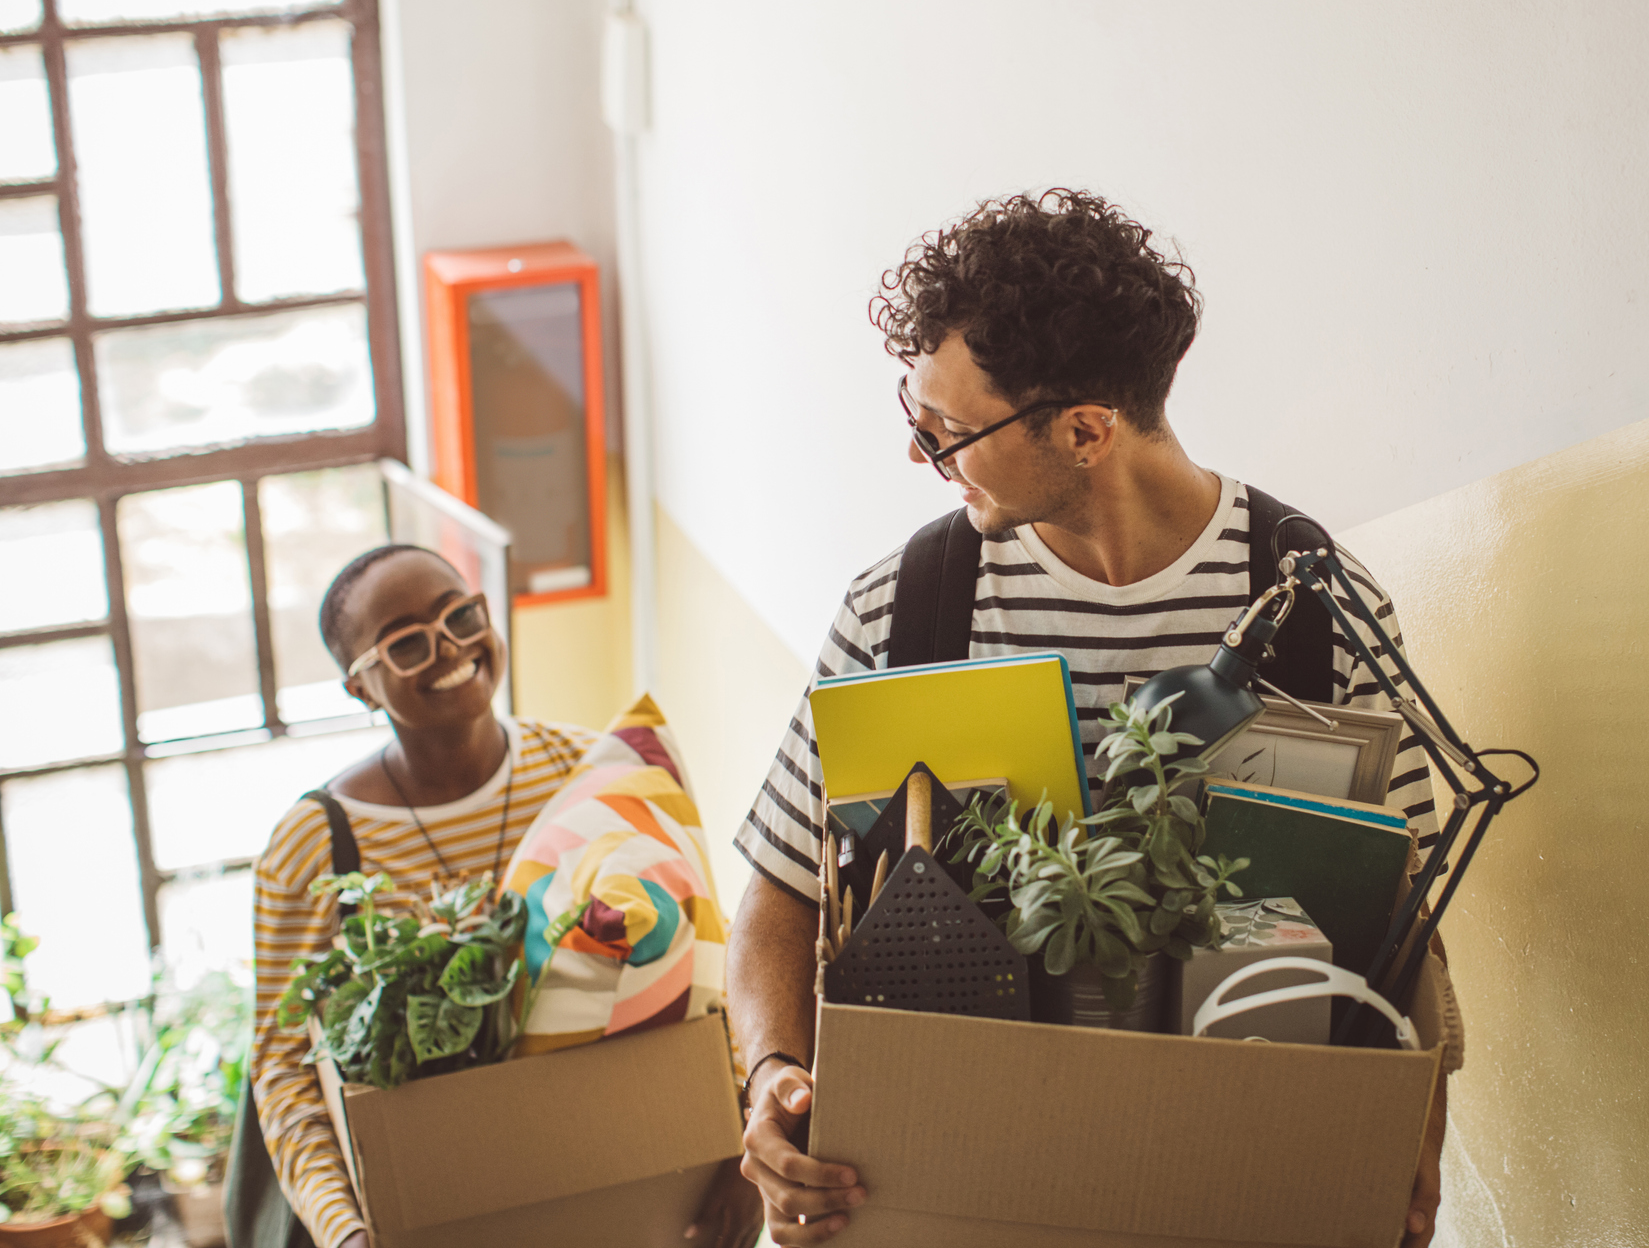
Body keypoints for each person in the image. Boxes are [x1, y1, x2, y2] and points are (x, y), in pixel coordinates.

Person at [727, 190, 1452, 1247]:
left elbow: (1405, 920)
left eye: (946, 433)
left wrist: (1410, 1133)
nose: (922, 456)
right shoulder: (905, 605)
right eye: (915, 418)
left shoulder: (1314, 609)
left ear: (1083, 430)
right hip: (966, 1189)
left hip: (1232, 1186)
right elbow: (782, 893)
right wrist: (773, 1076)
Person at [245, 544, 761, 1248]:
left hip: (616, 1179)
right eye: (406, 643)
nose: (451, 646)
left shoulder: (585, 770)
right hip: (436, 1207)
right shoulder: (312, 845)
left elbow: (707, 950)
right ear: (360, 687)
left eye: (461, 614)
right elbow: (281, 1064)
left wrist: (742, 1144)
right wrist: (345, 1232)